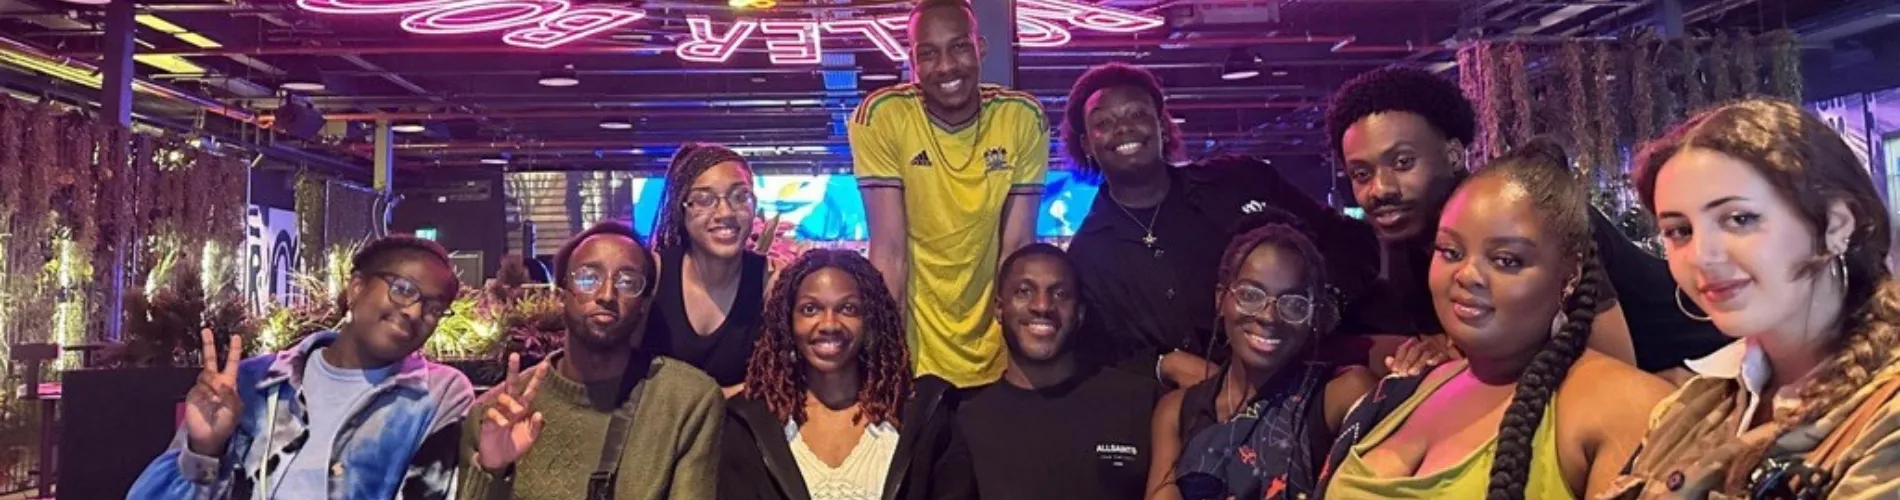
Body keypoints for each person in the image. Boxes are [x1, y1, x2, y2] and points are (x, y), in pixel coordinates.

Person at [1323, 66, 1737, 375]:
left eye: (1402, 162)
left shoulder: (1522, 209)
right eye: (1362, 174)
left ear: (1452, 155)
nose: (1380, 188)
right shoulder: (1405, 250)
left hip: (1704, 360)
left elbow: (1614, 367)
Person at [1316, 140, 1672, 499]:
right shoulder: (1410, 386)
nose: (1467, 274)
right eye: (1450, 251)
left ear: (1571, 275)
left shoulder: (1626, 405)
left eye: (1506, 260)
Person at [1606, 100, 1900, 497]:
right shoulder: (1688, 410)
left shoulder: (1886, 410)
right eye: (1679, 230)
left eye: (1739, 219)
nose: (1702, 255)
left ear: (1836, 224)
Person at [1063, 62, 1376, 391]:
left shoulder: (1242, 181)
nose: (1123, 128)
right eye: (1104, 122)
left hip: (1306, 388)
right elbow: (1094, 356)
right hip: (1192, 422)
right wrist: (1162, 364)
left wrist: (1328, 307)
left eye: (1137, 114)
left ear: (1162, 125)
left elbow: (1352, 242)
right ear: (1086, 144)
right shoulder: (1087, 256)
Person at [128, 235, 474, 499]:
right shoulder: (254, 383)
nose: (414, 312)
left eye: (432, 308)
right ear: (356, 288)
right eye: (403, 290)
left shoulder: (434, 395)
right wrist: (204, 449)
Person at [850, 0, 1049, 387]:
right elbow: (889, 253)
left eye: (959, 47)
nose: (945, 67)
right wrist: (883, 364)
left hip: (996, 351)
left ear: (981, 48)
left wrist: (1019, 354)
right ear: (912, 59)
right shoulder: (882, 115)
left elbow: (1018, 246)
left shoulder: (1022, 118)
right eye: (928, 53)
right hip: (915, 351)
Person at [459, 221, 722, 499]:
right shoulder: (496, 414)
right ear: (562, 295)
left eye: (627, 282)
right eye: (588, 278)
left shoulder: (687, 401)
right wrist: (491, 473)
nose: (607, 295)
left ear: (644, 303)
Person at [1145, 212, 1378, 500]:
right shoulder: (1177, 411)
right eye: (1251, 295)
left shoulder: (1342, 394)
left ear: (1313, 314)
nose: (1269, 317)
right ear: (1221, 299)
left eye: (1292, 304)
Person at [720, 249, 975, 500]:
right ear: (788, 323)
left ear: (870, 321)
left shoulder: (922, 414)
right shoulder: (750, 423)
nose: (829, 324)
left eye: (848, 309)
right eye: (810, 309)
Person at [957, 244, 1160, 500]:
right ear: (999, 308)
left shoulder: (1139, 401)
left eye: (1060, 294)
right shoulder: (967, 422)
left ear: (1080, 313)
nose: (1042, 306)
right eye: (1024, 292)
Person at [645, 143, 769, 396]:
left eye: (740, 196)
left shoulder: (771, 282)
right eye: (704, 199)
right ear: (682, 208)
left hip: (741, 431)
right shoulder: (654, 274)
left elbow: (779, 381)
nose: (725, 212)